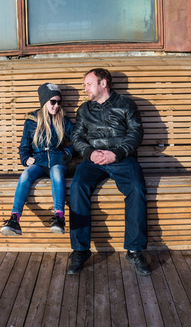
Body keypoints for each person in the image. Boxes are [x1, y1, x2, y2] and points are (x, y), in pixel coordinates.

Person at [67, 68, 151, 276]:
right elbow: (77, 137)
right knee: (77, 187)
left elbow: (135, 133)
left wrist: (117, 154)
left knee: (136, 188)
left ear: (103, 84)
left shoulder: (126, 105)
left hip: (121, 158)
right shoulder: (84, 109)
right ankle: (80, 250)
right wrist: (89, 153)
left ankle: (134, 250)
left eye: (88, 84)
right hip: (92, 159)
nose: (85, 88)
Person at [1, 83, 74, 236]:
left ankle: (59, 217)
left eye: (58, 102)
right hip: (39, 161)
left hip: (57, 160)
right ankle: (15, 219)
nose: (56, 106)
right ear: (44, 102)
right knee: (26, 174)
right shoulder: (31, 121)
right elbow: (24, 146)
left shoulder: (63, 120)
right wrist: (25, 158)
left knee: (56, 173)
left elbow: (78, 141)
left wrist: (67, 152)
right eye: (52, 102)